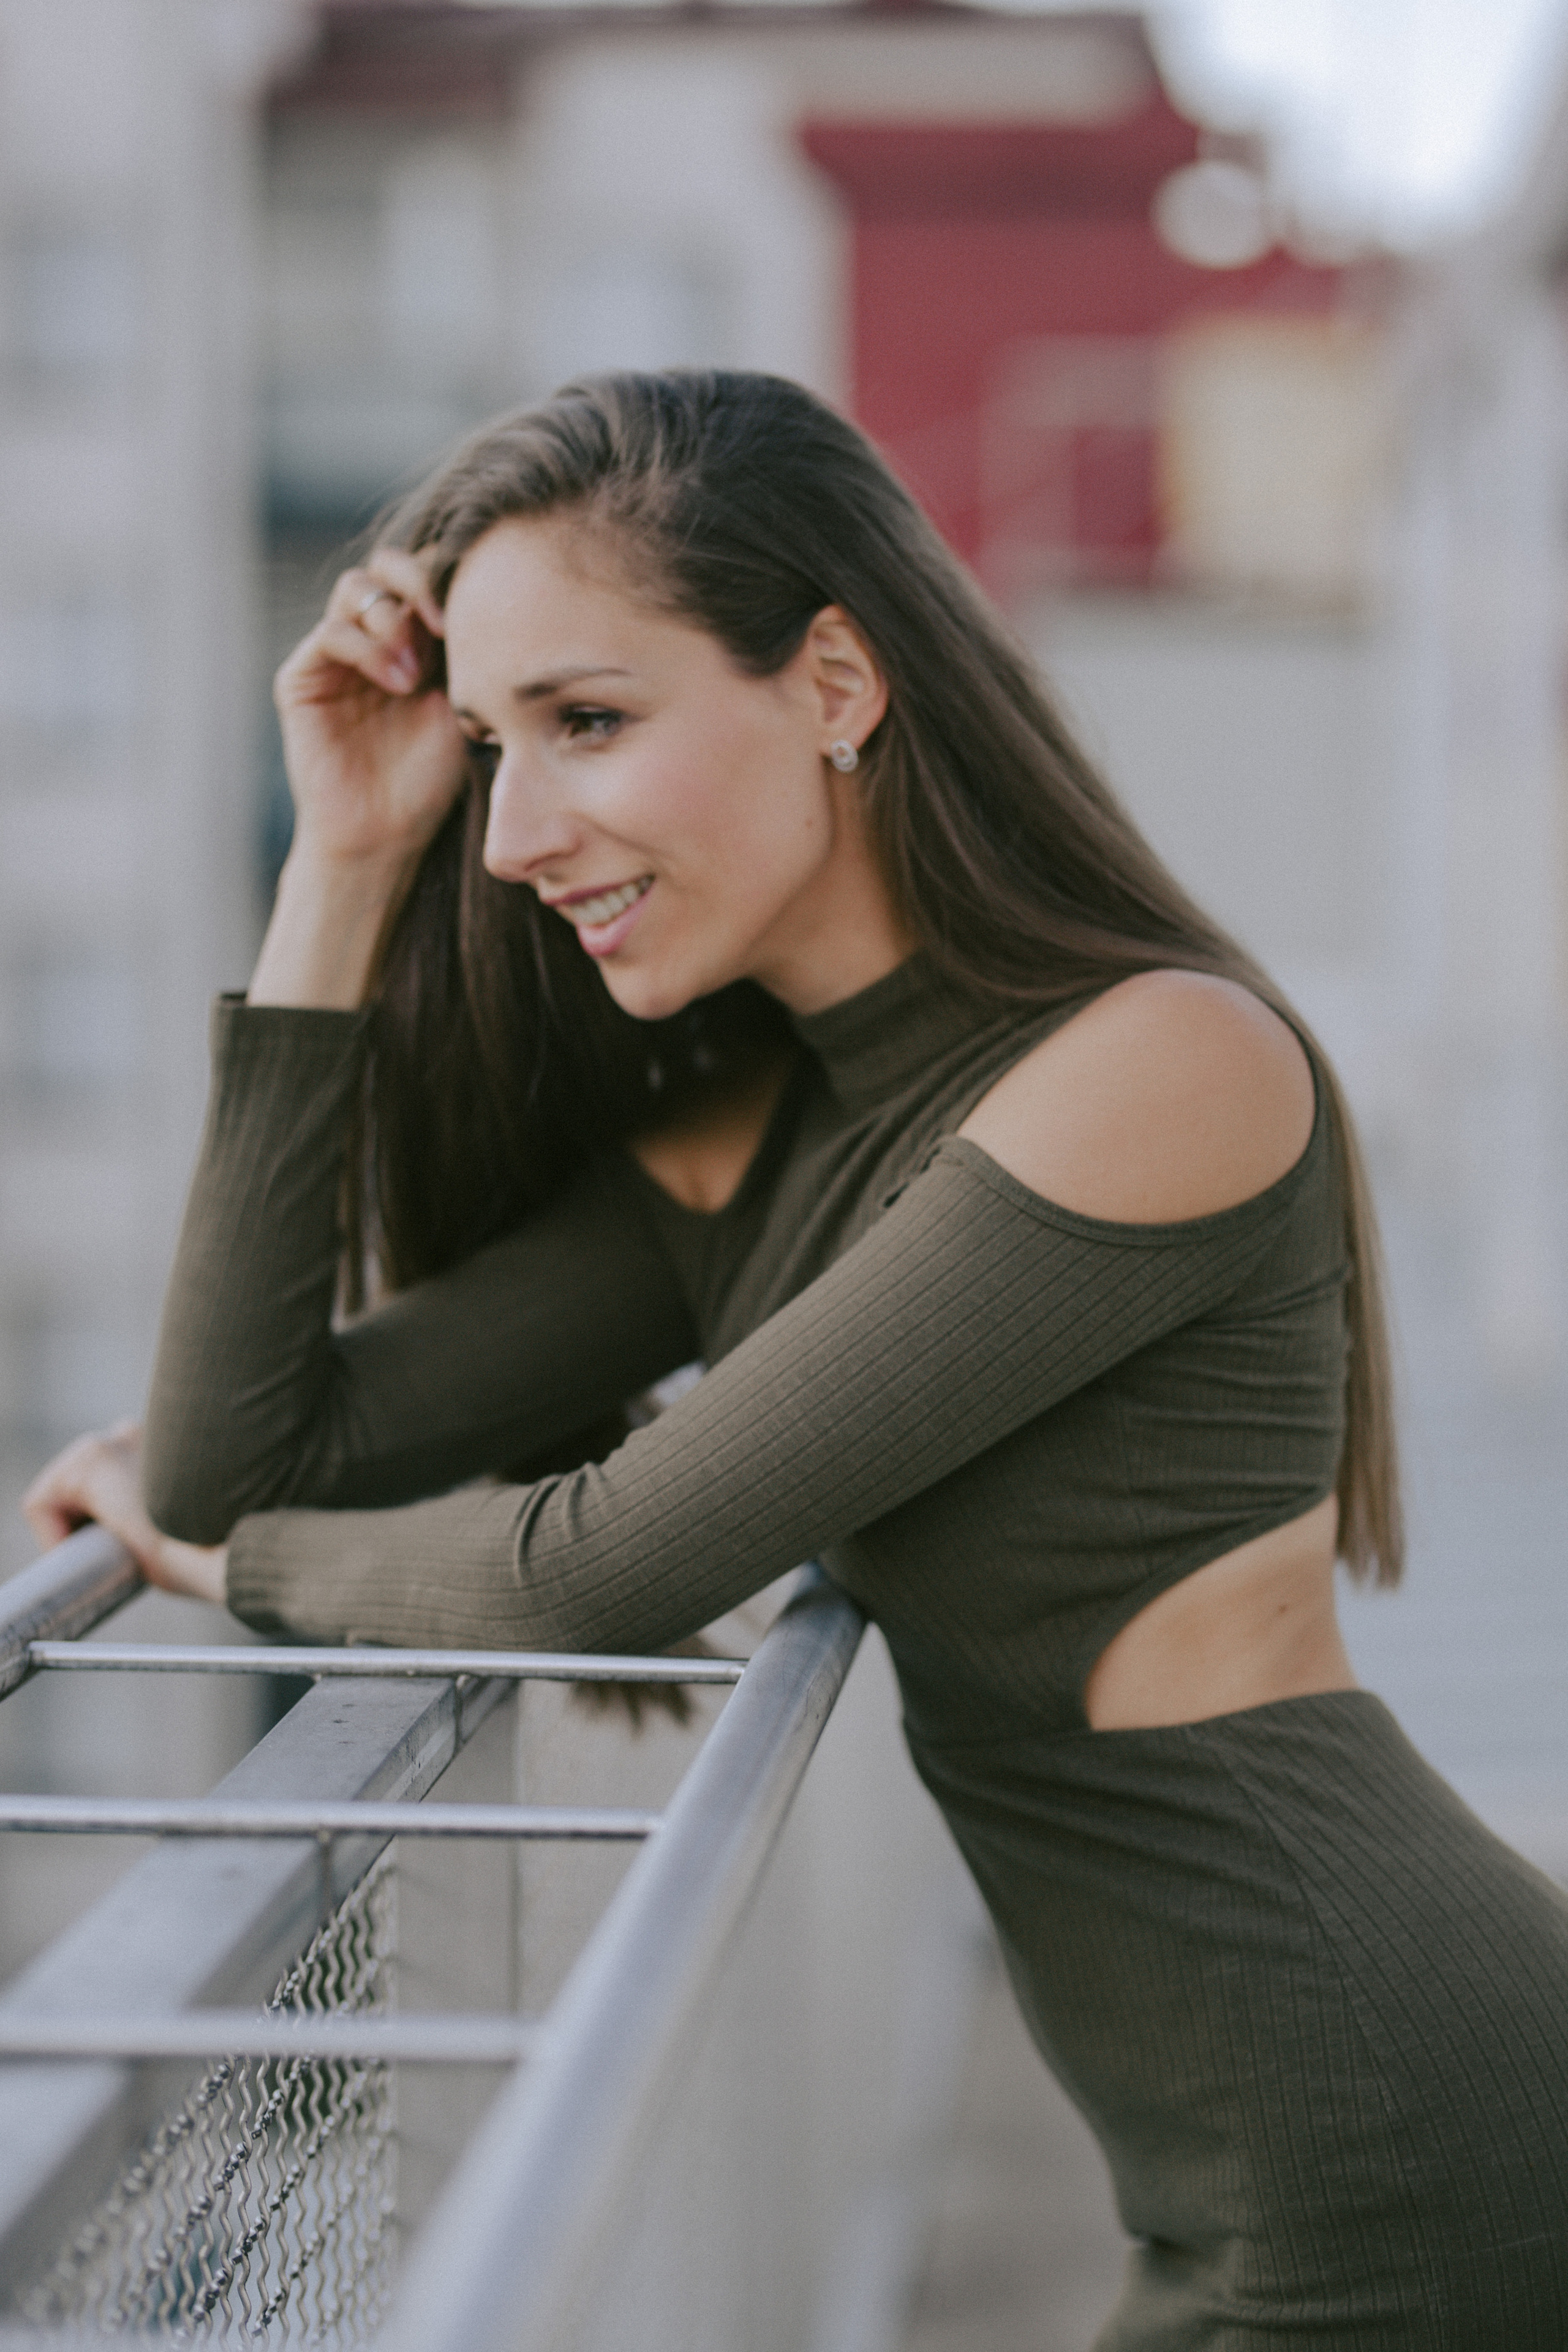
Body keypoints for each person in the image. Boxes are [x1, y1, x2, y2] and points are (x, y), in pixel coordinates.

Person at [24, 371, 1568, 2346]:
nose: (509, 834)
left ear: (835, 681)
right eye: (490, 747)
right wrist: (340, 862)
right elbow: (260, 1446)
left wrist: (213, 1570)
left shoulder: (1162, 1064)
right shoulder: (745, 1139)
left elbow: (600, 1566)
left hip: (1407, 2142)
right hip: (1230, 2175)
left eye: (588, 723)